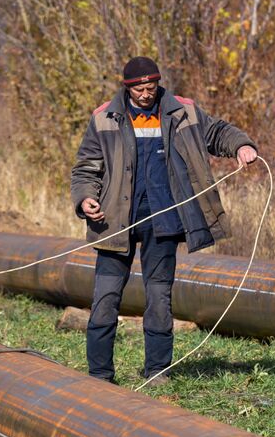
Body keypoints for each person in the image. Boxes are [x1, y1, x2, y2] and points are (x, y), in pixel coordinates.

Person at [70, 56, 258, 384]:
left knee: (159, 296)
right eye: (139, 89)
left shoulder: (182, 111)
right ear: (127, 88)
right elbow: (86, 167)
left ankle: (158, 370)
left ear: (158, 83)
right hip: (114, 224)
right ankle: (99, 375)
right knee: (106, 297)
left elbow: (218, 133)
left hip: (165, 222)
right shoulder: (104, 118)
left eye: (151, 87)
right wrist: (86, 198)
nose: (146, 93)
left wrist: (241, 146)